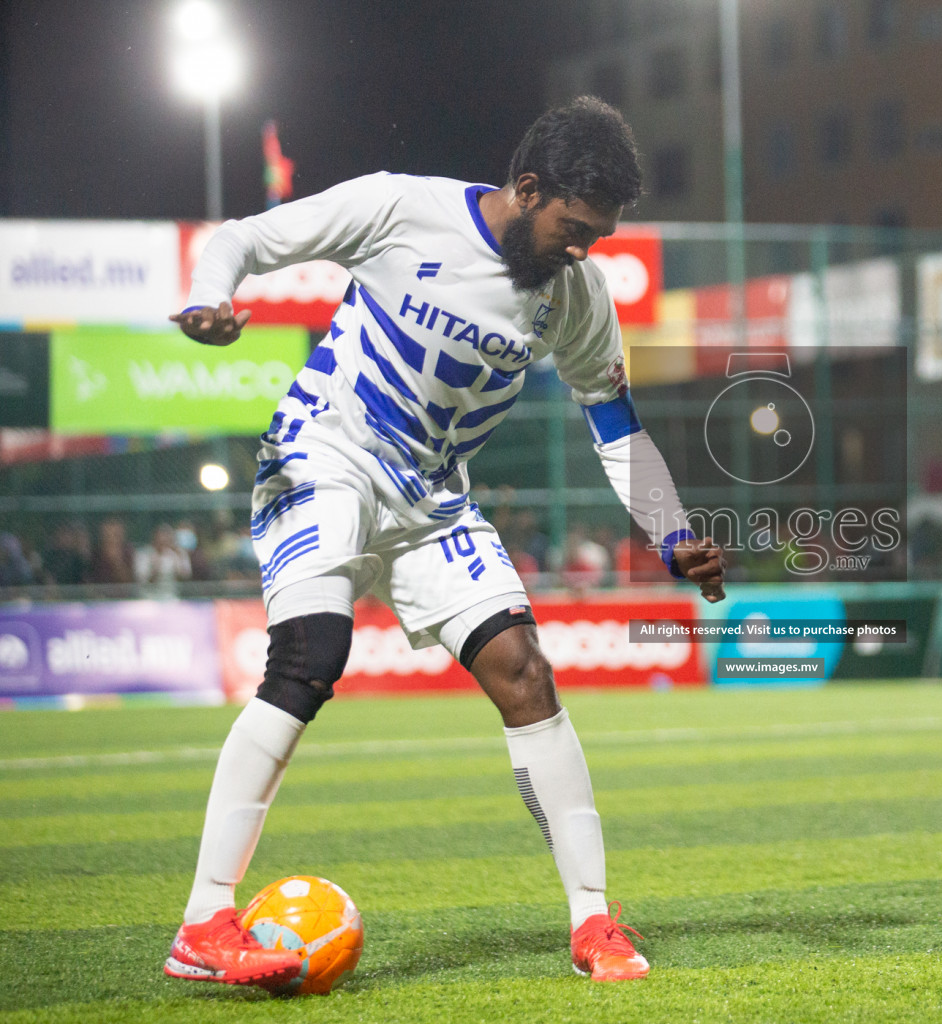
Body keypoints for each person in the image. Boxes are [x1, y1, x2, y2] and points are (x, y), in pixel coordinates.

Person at [161, 97, 725, 989]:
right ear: (527, 188)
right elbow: (241, 240)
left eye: (599, 236)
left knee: (525, 672)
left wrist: (674, 532)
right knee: (311, 656)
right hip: (324, 452)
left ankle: (593, 925)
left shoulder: (575, 294)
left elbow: (614, 422)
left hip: (432, 500)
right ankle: (202, 922)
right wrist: (208, 296)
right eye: (574, 228)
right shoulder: (401, 209)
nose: (583, 250)